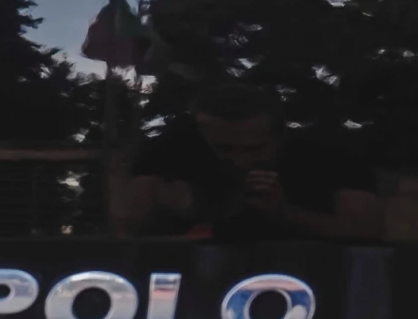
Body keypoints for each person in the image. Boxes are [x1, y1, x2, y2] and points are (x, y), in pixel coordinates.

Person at [116, 83, 385, 241]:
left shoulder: (330, 156)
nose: (239, 159)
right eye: (223, 148)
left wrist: (285, 213)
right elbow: (125, 229)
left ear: (281, 136)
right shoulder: (169, 151)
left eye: (253, 148)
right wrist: (168, 210)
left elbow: (367, 233)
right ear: (201, 134)